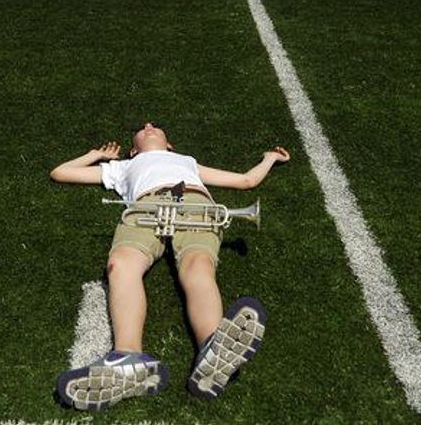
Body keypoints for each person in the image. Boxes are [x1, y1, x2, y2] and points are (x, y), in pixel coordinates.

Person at [50, 121, 290, 411]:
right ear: (133, 150)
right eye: (142, 128)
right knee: (120, 264)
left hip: (195, 203)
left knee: (198, 266)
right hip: (145, 207)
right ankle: (127, 358)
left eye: (155, 126)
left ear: (170, 145)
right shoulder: (123, 166)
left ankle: (213, 348)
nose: (148, 125)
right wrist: (95, 155)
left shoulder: (187, 161)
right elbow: (60, 172)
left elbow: (246, 181)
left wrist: (270, 158)